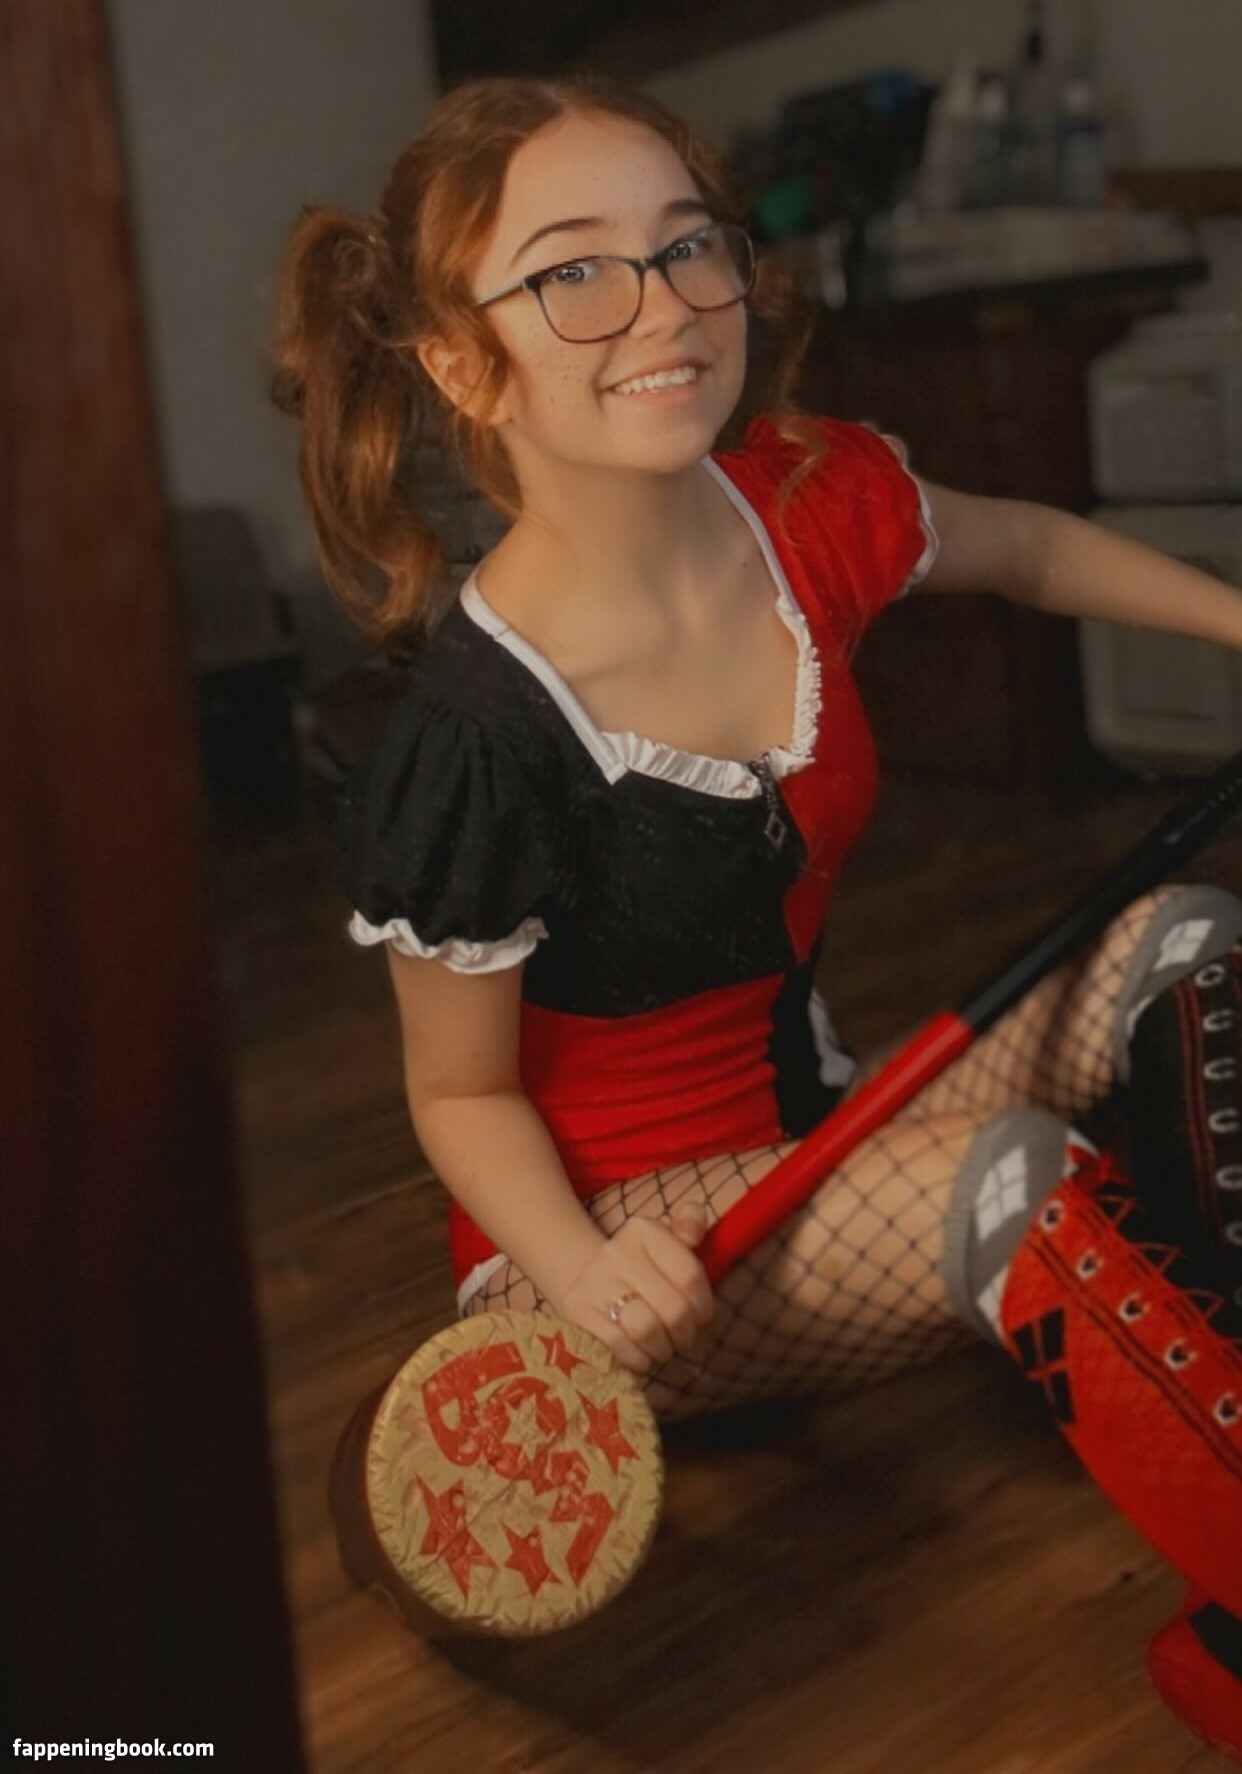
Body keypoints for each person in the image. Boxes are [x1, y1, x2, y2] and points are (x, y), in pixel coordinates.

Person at [272, 75, 1242, 1749]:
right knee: (1011, 1177)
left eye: (686, 246)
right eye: (574, 272)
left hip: (821, 1118)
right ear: (460, 362)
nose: (659, 306)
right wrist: (585, 1269)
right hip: (626, 1254)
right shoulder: (476, 739)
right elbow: (460, 1094)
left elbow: (1024, 549)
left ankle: (1195, 1342)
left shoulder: (798, 499)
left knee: (1184, 945)